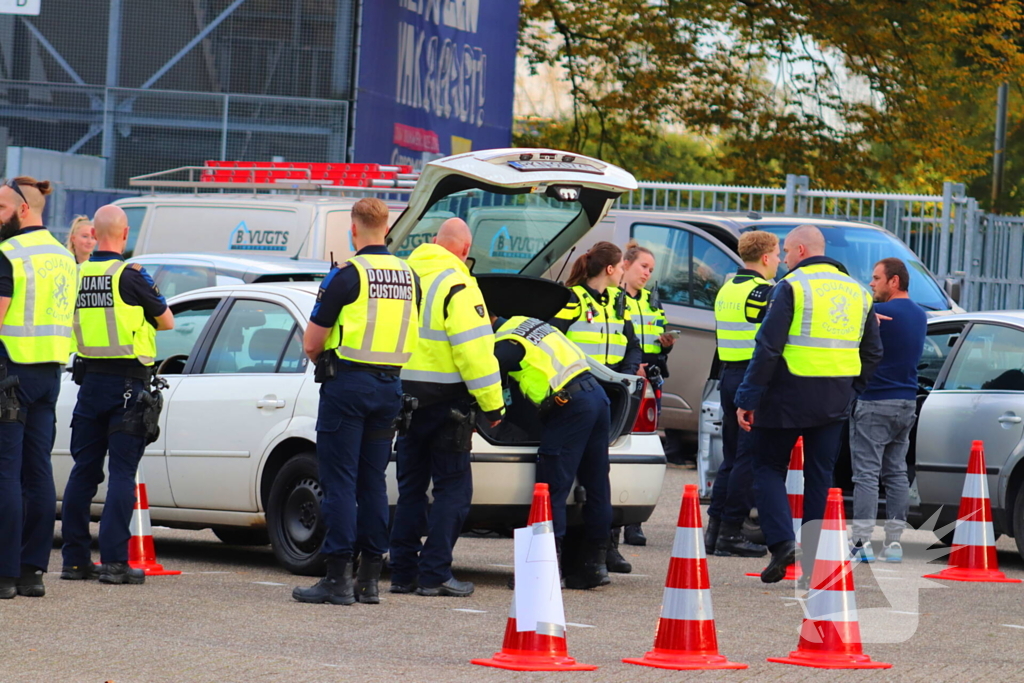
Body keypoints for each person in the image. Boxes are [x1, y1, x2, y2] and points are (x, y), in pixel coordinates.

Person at [735, 224, 882, 584]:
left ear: (801, 250)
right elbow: (874, 351)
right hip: (833, 400)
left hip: (786, 394)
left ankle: (783, 544)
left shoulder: (792, 286)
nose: (784, 258)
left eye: (786, 251)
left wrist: (748, 397)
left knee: (768, 467)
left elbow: (767, 348)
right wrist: (852, 391)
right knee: (821, 475)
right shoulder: (859, 292)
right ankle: (815, 558)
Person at [294, 197, 419, 606]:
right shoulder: (408, 276)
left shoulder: (347, 276)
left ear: (353, 229)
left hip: (348, 387)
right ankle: (368, 580)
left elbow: (313, 343)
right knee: (372, 483)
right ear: (386, 228)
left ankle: (337, 579)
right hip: (390, 390)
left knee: (340, 483)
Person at [390, 218, 504, 598]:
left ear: (434, 242)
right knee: (453, 490)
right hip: (447, 404)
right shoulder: (459, 284)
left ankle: (402, 573)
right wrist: (494, 406)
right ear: (464, 251)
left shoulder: (403, 278)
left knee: (410, 490)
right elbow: (476, 353)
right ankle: (435, 573)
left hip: (405, 399)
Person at [60, 205, 174, 586]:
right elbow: (167, 320)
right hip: (128, 384)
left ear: (94, 232)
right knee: (122, 475)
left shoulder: (75, 274)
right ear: (125, 235)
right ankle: (113, 562)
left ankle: (74, 561)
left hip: (89, 383)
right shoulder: (130, 275)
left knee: (84, 472)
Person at [0, 177, 78, 599]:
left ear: (23, 210)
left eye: (0, 209)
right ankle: (32, 573)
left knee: (5, 474)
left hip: (9, 372)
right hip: (50, 375)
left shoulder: (8, 252)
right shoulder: (65, 257)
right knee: (39, 473)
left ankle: (5, 574)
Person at [492, 314, 610, 589]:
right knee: (597, 485)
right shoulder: (526, 321)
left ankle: (542, 570)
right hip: (597, 396)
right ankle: (594, 566)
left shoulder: (506, 343)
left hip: (570, 405)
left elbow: (487, 378)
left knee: (549, 487)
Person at [551, 241, 640, 575]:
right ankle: (583, 560)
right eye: (621, 266)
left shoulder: (619, 302)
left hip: (608, 397)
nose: (624, 272)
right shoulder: (572, 299)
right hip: (577, 392)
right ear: (610, 269)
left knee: (596, 482)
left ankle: (597, 559)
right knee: (582, 479)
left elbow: (631, 344)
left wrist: (625, 377)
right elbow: (554, 339)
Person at [706, 231, 780, 558]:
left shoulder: (727, 289)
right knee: (748, 459)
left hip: (728, 375)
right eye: (777, 254)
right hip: (751, 378)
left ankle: (715, 530)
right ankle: (731, 532)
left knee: (732, 457)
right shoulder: (763, 292)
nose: (779, 260)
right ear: (765, 257)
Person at [849, 258, 926, 563]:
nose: (871, 283)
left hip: (875, 401)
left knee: (866, 474)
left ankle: (861, 543)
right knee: (895, 473)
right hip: (906, 402)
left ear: (894, 281)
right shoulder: (920, 315)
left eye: (876, 278)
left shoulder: (879, 312)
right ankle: (893, 544)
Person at [617, 240, 676, 547]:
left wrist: (666, 342)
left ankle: (633, 523)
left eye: (651, 270)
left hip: (650, 377)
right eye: (643, 267)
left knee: (642, 447)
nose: (647, 274)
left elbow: (659, 331)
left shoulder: (652, 301)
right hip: (626, 377)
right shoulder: (615, 299)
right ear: (625, 265)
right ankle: (615, 522)